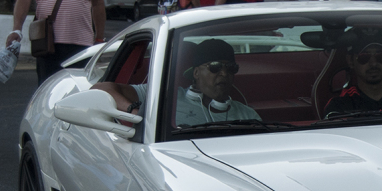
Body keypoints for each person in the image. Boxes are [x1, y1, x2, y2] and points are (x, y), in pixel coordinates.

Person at [94, 38, 260, 127]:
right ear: (196, 73)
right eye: (215, 67)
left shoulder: (248, 115)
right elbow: (101, 89)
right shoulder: (164, 98)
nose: (224, 73)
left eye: (231, 68)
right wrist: (134, 111)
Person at [323, 33, 382, 117]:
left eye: (381, 56)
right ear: (350, 61)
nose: (374, 63)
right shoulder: (339, 106)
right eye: (364, 57)